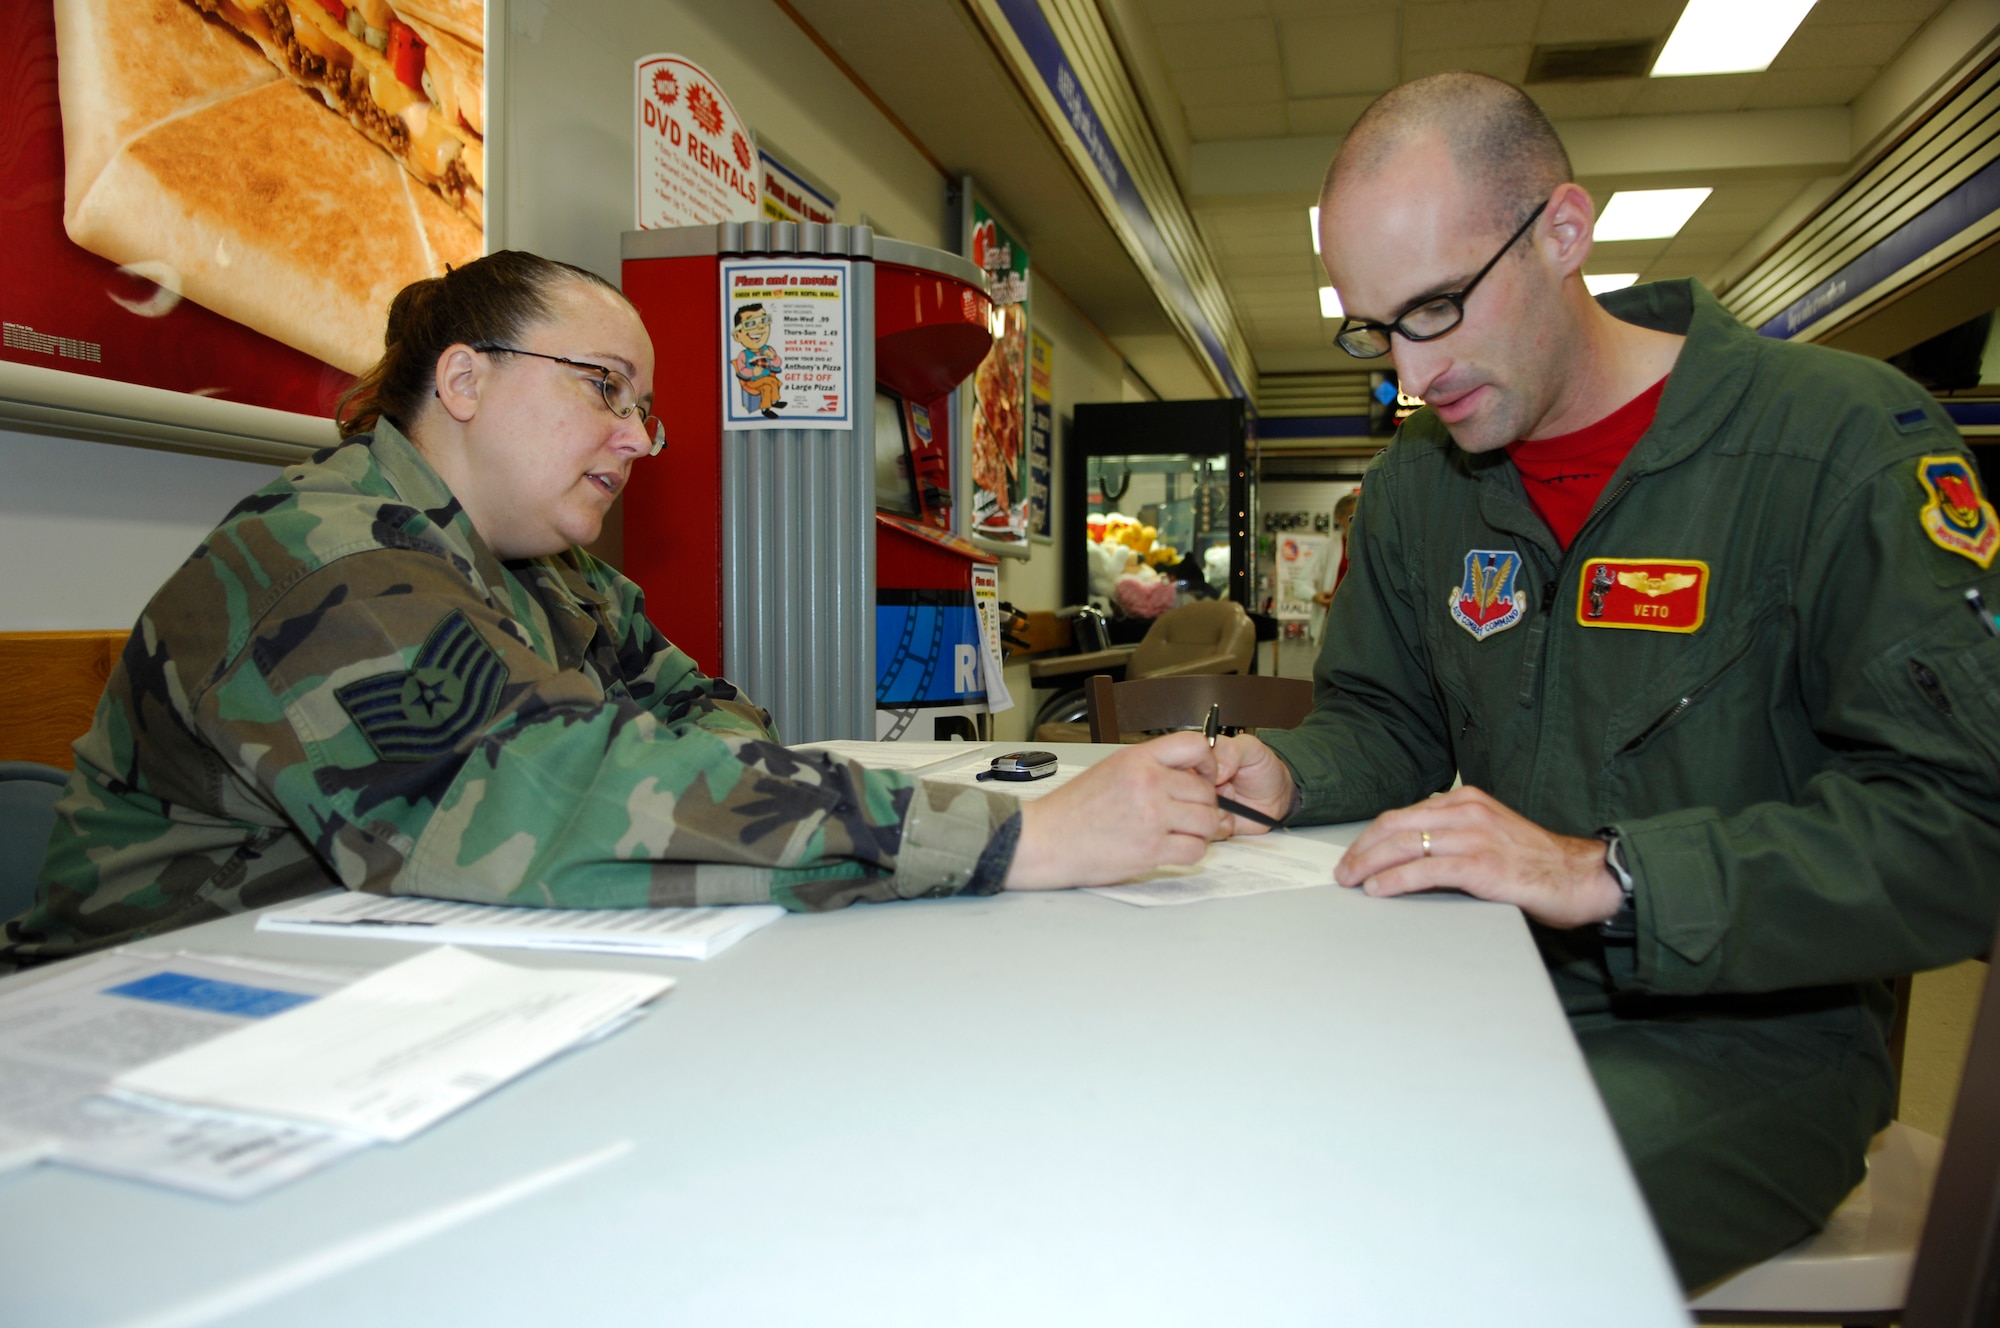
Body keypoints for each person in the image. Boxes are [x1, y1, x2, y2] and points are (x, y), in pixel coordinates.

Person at [1207, 73, 2000, 1287]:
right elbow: (1385, 722)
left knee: (1419, 1242)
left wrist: (1608, 872)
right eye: (1375, 331)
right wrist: (1280, 766)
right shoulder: (1423, 486)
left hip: (1752, 1042)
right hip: (1487, 982)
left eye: (1436, 308)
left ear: (1564, 231)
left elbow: (1962, 828)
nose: (1410, 375)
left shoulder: (1834, 444)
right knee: (1238, 1139)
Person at [2, 252, 1224, 968]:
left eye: (645, 406)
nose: (638, 437)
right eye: (604, 389)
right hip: (148, 1032)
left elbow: (704, 723)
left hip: (381, 980)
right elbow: (544, 791)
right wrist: (1015, 839)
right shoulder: (319, 563)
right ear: (464, 379)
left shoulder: (548, 566)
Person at [1307, 487, 1359, 642]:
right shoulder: (1328, 547)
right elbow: (1302, 581)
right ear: (1340, 518)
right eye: (1352, 515)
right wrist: (1315, 596)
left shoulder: (1372, 545)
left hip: (1365, 617)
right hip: (1336, 617)